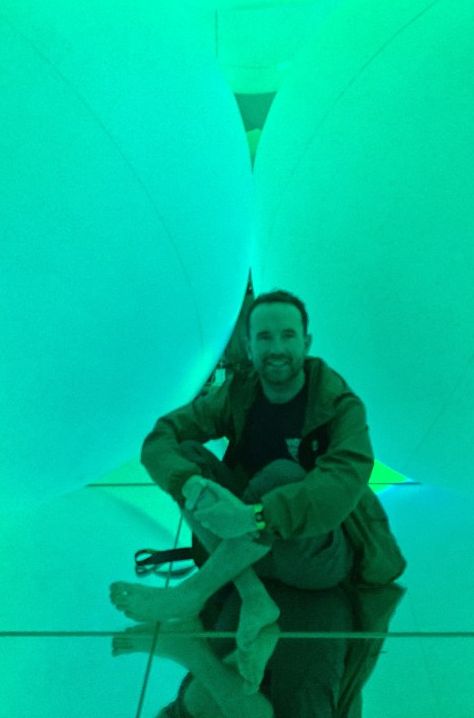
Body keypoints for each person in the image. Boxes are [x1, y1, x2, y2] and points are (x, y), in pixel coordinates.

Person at [110, 290, 404, 689]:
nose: (276, 347)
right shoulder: (239, 393)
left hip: (316, 556)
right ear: (249, 347)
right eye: (265, 337)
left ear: (306, 342)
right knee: (189, 459)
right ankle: (253, 596)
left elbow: (340, 485)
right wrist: (191, 485)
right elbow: (163, 438)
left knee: (282, 474)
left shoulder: (338, 405)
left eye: (288, 335)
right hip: (245, 549)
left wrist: (253, 516)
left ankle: (194, 594)